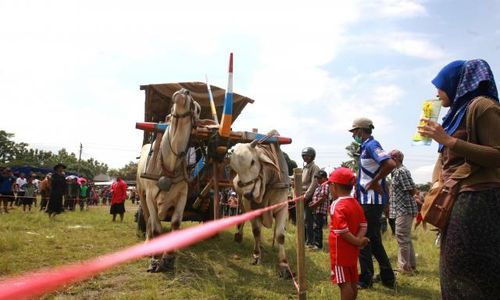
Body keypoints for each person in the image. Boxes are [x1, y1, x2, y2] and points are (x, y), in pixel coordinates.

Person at [418, 59, 500, 299]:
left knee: (474, 274)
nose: (437, 93)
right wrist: (436, 184)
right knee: (452, 271)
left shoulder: (483, 107)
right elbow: (442, 159)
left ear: (458, 83)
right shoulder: (455, 114)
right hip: (458, 201)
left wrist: (449, 141)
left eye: (441, 85)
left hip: (480, 202)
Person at [349, 117, 396, 289]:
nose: (353, 135)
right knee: (374, 240)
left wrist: (376, 181)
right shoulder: (365, 147)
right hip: (368, 200)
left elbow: (390, 164)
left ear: (361, 130)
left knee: (363, 238)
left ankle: (365, 279)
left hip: (371, 201)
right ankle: (387, 277)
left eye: (354, 132)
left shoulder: (371, 145)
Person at [327, 167, 369, 300]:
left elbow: (342, 231)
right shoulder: (355, 203)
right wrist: (359, 240)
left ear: (333, 186)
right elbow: (364, 225)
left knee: (344, 284)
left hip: (340, 253)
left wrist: (357, 241)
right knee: (351, 281)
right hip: (352, 251)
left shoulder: (337, 204)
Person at [389, 149, 418, 275]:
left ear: (396, 159)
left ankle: (404, 268)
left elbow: (412, 190)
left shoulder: (401, 171)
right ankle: (410, 265)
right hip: (401, 208)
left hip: (404, 208)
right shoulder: (395, 172)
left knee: (401, 237)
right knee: (405, 238)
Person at [301, 147, 320, 247]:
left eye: (307, 155)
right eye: (304, 155)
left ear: (312, 156)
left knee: (308, 219)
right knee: (302, 219)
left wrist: (306, 195)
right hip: (302, 196)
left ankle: (310, 241)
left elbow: (314, 183)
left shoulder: (314, 167)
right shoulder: (305, 167)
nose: (305, 157)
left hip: (309, 196)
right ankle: (304, 239)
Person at [308, 170, 329, 250]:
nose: (318, 180)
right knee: (315, 227)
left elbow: (323, 198)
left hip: (320, 211)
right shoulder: (319, 186)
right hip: (316, 210)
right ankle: (315, 243)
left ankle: (318, 245)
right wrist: (312, 203)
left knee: (317, 227)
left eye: (319, 178)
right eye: (317, 178)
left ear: (324, 178)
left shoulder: (325, 186)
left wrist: (313, 205)